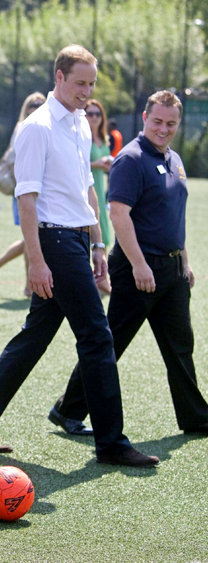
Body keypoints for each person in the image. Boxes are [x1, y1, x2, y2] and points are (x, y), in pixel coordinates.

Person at [0, 45, 159, 468]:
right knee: (97, 336)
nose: (87, 91)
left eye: (92, 84)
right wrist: (36, 261)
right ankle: (112, 444)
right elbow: (26, 199)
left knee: (36, 334)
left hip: (77, 242)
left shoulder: (81, 124)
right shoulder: (37, 127)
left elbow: (86, 188)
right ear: (59, 78)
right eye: (80, 82)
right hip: (53, 243)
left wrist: (99, 243)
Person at [50, 90, 208, 437]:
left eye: (171, 123)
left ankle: (197, 417)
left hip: (172, 270)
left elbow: (174, 217)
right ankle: (67, 409)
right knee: (112, 344)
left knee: (181, 346)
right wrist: (139, 264)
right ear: (144, 118)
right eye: (158, 121)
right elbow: (118, 214)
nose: (164, 129)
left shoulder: (175, 160)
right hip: (138, 268)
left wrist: (185, 261)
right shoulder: (131, 159)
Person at [0, 92, 46, 297]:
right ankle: (29, 286)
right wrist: (24, 190)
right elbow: (13, 161)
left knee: (30, 238)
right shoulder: (23, 127)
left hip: (37, 191)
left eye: (41, 104)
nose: (36, 107)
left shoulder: (44, 127)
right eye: (32, 105)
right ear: (25, 109)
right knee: (31, 238)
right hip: (26, 191)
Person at [86, 99, 112, 295]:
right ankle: (93, 280)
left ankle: (100, 276)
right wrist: (98, 164)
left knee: (103, 232)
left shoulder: (103, 138)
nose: (94, 117)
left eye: (97, 113)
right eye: (90, 113)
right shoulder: (82, 136)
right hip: (86, 189)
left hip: (100, 190)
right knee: (90, 233)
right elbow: (77, 165)